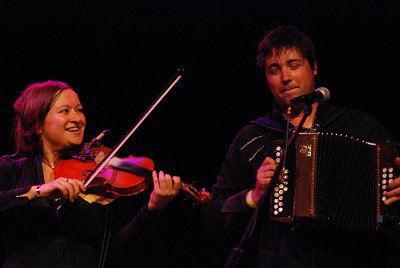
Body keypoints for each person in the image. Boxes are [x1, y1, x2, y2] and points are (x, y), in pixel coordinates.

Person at [201, 25, 400, 268]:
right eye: (274, 70)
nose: (285, 77)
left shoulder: (359, 126)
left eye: (294, 65)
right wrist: (253, 196)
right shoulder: (251, 138)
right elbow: (211, 217)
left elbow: (391, 214)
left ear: (314, 67)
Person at [0, 80, 183, 268]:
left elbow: (116, 248)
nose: (78, 119)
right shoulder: (11, 168)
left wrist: (152, 209)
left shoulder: (97, 177)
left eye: (79, 110)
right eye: (65, 111)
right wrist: (39, 191)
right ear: (37, 124)